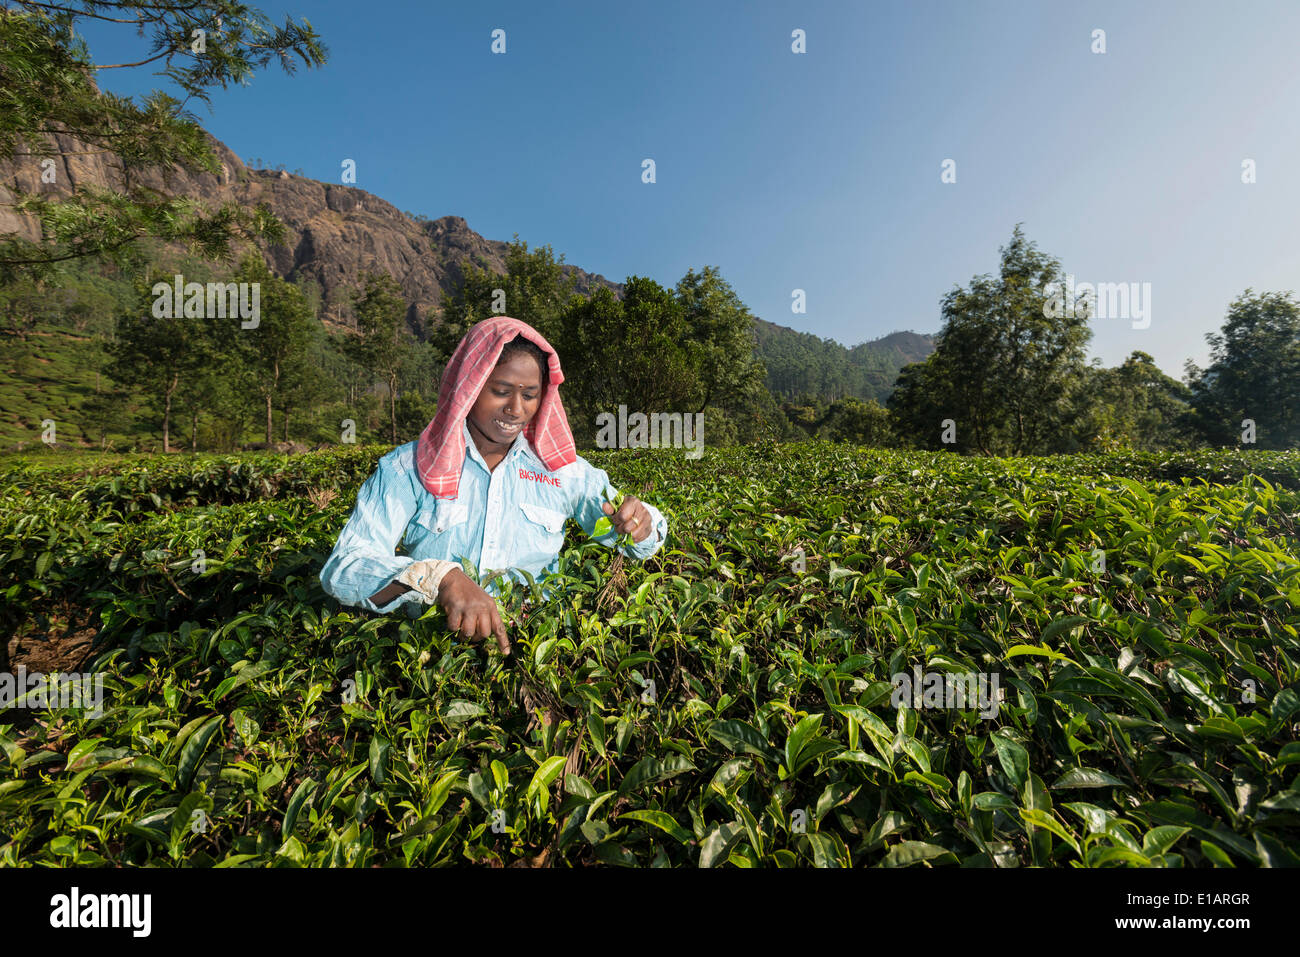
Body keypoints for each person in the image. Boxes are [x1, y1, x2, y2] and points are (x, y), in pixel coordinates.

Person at [319, 315, 668, 657]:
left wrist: (641, 523)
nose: (516, 409)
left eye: (530, 395)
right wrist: (440, 578)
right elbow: (344, 569)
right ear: (468, 387)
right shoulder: (407, 468)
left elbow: (638, 542)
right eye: (500, 391)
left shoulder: (564, 471)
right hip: (429, 659)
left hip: (537, 657)